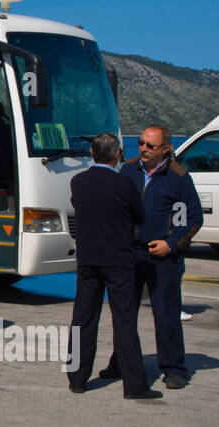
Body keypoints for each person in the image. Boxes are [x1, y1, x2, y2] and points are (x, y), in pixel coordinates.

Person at [100, 124, 204, 389]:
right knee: (124, 313)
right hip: (129, 254)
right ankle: (121, 362)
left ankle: (174, 368)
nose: (143, 149)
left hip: (162, 257)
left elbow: (192, 220)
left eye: (150, 146)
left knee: (166, 315)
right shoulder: (127, 170)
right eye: (141, 144)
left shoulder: (178, 177)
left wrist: (170, 245)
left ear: (166, 149)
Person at [67, 132, 161, 399]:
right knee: (124, 323)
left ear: (91, 154)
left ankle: (77, 377)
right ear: (117, 154)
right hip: (118, 260)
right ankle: (134, 384)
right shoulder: (124, 184)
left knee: (82, 319)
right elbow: (139, 215)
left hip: (87, 258)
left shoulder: (78, 181)